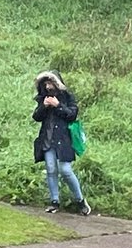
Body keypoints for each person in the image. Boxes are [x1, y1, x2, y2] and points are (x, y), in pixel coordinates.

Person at [33, 70, 90, 215]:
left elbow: (72, 115)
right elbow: (36, 117)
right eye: (45, 83)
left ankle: (80, 200)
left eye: (50, 83)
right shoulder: (43, 98)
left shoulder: (67, 97)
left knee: (65, 170)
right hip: (47, 140)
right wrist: (44, 106)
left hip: (63, 140)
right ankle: (54, 201)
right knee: (51, 169)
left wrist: (58, 105)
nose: (47, 86)